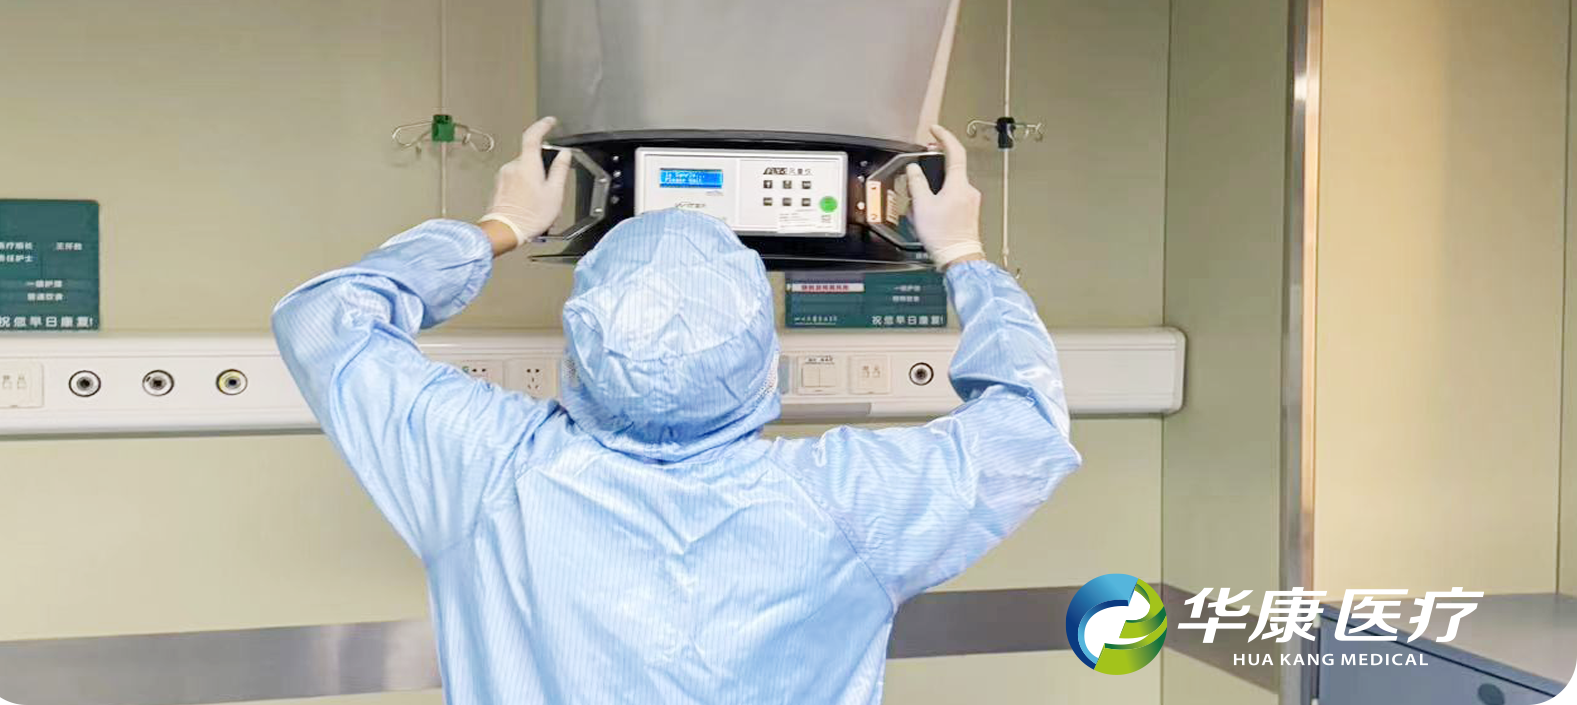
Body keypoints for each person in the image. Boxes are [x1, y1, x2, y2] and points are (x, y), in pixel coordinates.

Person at [273, 117, 1082, 705]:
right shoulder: (850, 501)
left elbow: (324, 319)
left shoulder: (486, 472)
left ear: (579, 348)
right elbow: (1028, 430)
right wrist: (964, 255)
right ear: (764, 357)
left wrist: (504, 226)